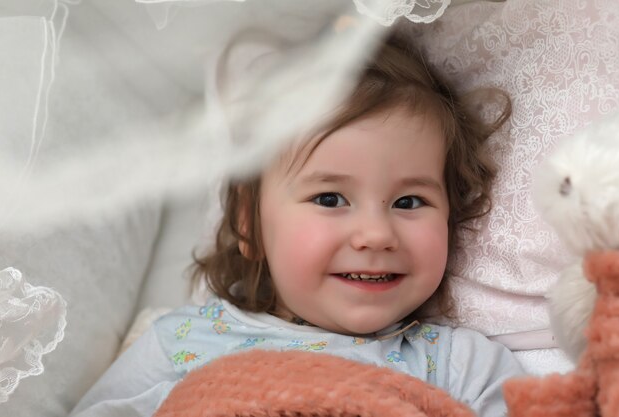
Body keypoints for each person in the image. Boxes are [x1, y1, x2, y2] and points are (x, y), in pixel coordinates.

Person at [70, 33, 524, 417]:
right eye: (330, 198)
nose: (376, 235)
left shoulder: (458, 364)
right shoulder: (182, 341)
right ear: (250, 225)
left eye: (409, 201)